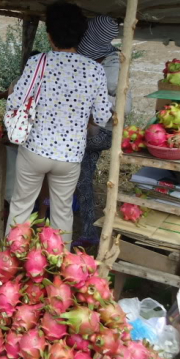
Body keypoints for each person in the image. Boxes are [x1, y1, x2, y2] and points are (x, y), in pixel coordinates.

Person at [5, 2, 111, 243]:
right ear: (81, 35)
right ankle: (60, 268)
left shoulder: (38, 63)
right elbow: (103, 116)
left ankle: (10, 266)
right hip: (70, 156)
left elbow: (16, 102)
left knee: (21, 208)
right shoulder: (94, 69)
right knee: (62, 213)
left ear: (49, 34)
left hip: (35, 150)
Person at [72, 14, 131, 247]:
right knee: (83, 176)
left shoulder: (114, 66)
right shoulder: (99, 60)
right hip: (93, 130)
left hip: (106, 132)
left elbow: (125, 105)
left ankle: (57, 205)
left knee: (61, 153)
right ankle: (88, 231)